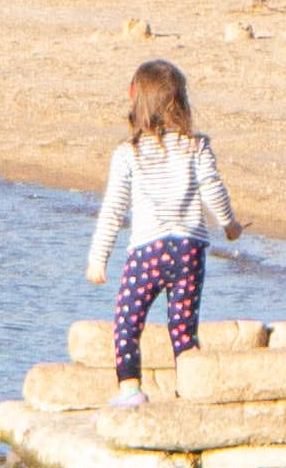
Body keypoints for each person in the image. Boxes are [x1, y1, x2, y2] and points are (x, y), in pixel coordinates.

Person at [85, 58, 241, 406]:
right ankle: (189, 389)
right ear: (181, 103)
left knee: (127, 319)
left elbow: (114, 209)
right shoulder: (196, 146)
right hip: (190, 249)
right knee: (183, 326)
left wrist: (98, 259)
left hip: (147, 250)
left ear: (133, 98)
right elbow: (213, 188)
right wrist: (230, 225)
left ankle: (129, 390)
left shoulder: (129, 153)